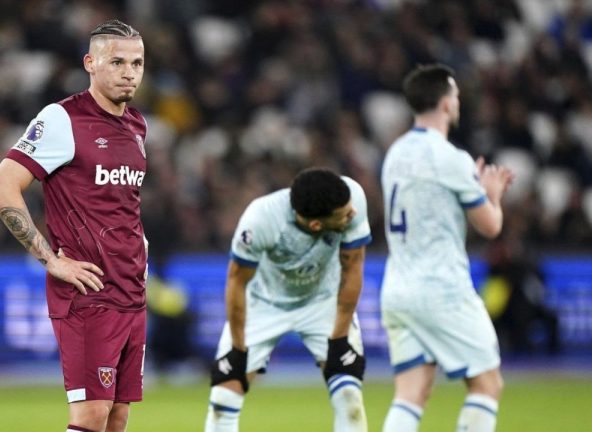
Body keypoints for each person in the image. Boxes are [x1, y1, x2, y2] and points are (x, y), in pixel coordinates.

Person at [0, 20, 148, 432]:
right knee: (91, 413)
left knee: (117, 415)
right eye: (117, 61)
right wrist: (51, 260)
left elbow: (121, 205)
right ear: (90, 63)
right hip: (87, 293)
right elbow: (0, 188)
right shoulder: (62, 118)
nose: (129, 72)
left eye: (138, 62)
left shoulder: (137, 125)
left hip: (131, 290)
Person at [380, 64, 515, 432]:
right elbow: (490, 225)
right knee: (487, 385)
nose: (458, 101)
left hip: (397, 288)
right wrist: (492, 194)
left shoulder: (394, 154)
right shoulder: (450, 158)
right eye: (455, 95)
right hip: (442, 289)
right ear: (444, 103)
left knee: (411, 393)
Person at [205, 167, 373, 432]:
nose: (352, 214)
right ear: (316, 224)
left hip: (323, 301)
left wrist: (339, 339)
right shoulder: (260, 220)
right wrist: (238, 349)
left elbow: (353, 268)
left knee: (349, 398)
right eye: (344, 215)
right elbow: (237, 283)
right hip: (264, 303)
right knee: (223, 398)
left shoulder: (351, 198)